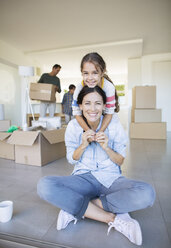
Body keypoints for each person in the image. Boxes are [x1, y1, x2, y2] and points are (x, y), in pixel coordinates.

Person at [37, 86, 155, 246]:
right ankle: (112, 218)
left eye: (98, 103)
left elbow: (120, 161)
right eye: (87, 103)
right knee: (45, 185)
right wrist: (83, 144)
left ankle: (78, 207)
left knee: (147, 193)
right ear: (80, 106)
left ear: (104, 106)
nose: (92, 109)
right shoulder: (73, 126)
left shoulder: (114, 124)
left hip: (111, 179)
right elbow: (72, 159)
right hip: (83, 178)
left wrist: (106, 146)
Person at [72, 52, 119, 140]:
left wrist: (100, 132)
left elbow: (109, 113)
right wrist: (89, 131)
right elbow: (77, 113)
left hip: (106, 117)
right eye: (86, 73)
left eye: (95, 73)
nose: (90, 78)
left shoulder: (108, 88)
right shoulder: (79, 88)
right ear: (81, 73)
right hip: (88, 120)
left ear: (102, 72)